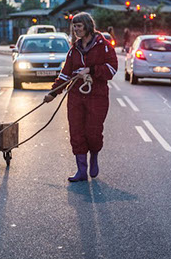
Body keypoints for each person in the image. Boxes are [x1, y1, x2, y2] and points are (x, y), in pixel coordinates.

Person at [43, 12, 118, 182]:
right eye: (74, 26)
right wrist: (53, 93)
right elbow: (65, 75)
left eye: (79, 26)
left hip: (97, 95)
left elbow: (112, 69)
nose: (76, 29)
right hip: (76, 95)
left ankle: (94, 158)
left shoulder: (104, 46)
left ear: (87, 25)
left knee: (93, 131)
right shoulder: (73, 50)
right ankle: (81, 170)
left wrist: (91, 70)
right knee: (76, 131)